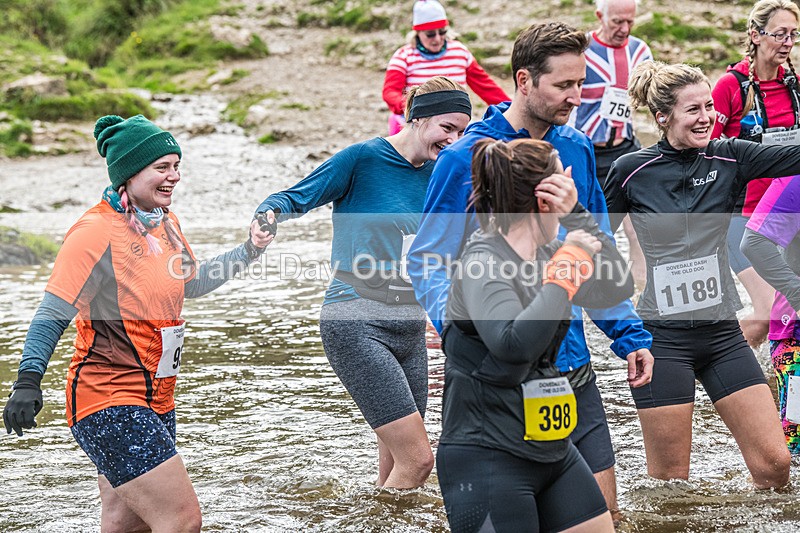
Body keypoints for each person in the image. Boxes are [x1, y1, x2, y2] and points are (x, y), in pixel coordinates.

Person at [407, 21, 654, 521]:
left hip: (569, 361)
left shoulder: (577, 148)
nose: (576, 97)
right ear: (524, 81)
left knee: (605, 511)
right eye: (563, 85)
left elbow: (596, 249)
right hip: (498, 370)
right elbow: (429, 258)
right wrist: (458, 330)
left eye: (580, 83)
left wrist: (628, 334)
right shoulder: (466, 156)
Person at [2, 114, 274, 532]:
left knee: (127, 525)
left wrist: (249, 251)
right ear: (129, 174)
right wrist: (27, 379)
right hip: (108, 397)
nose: (174, 177)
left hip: (157, 399)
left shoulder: (166, 224)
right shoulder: (93, 232)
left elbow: (192, 282)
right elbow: (53, 312)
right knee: (181, 519)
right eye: (161, 168)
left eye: (176, 166)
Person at [254, 76, 471, 489]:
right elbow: (292, 197)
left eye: (462, 131)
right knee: (419, 460)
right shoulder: (362, 159)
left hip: (409, 326)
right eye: (447, 128)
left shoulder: (443, 176)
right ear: (418, 118)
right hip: (355, 319)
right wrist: (266, 219)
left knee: (395, 462)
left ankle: (378, 516)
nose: (454, 139)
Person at [603, 60, 796, 487]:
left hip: (722, 334)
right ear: (662, 117)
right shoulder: (630, 170)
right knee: (672, 483)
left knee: (775, 464)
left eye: (709, 106)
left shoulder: (731, 156)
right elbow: (594, 244)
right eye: (693, 109)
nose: (706, 117)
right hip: (661, 341)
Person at [437, 138, 629, 532]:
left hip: (553, 450)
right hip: (488, 456)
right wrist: (569, 266)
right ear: (544, 200)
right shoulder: (482, 261)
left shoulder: (552, 251)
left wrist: (579, 217)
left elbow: (617, 287)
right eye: (565, 184)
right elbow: (512, 345)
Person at [710, 0, 800, 347]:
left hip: (786, 217)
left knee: (784, 313)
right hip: (740, 218)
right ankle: (727, 375)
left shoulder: (793, 87)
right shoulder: (730, 87)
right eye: (779, 34)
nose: (788, 41)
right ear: (756, 35)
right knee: (764, 314)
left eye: (793, 34)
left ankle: (778, 378)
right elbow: (705, 152)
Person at [571, 0, 651, 289]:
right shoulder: (582, 52)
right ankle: (584, 286)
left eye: (630, 21)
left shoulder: (640, 51)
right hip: (588, 150)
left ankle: (642, 294)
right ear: (599, 16)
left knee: (639, 224)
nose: (624, 28)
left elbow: (651, 98)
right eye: (617, 21)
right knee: (590, 226)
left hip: (626, 146)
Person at [382, 0, 509, 135]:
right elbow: (390, 92)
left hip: (456, 120)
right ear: (417, 33)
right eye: (430, 34)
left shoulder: (460, 52)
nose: (437, 38)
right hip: (418, 121)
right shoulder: (404, 56)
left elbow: (485, 86)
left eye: (442, 32)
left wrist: (511, 108)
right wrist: (412, 107)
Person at [742, 175, 800, 454]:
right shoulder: (795, 179)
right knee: (797, 451)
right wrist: (797, 294)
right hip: (795, 338)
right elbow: (754, 243)